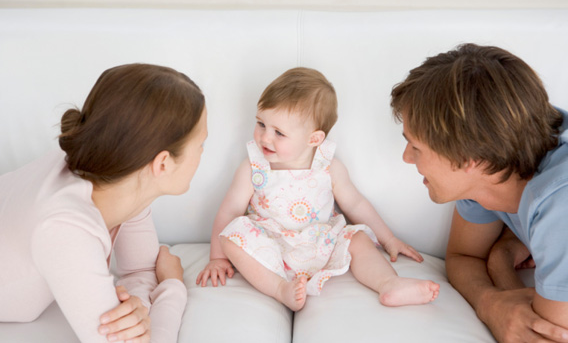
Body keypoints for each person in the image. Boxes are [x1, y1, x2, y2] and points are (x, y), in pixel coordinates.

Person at [196, 67, 439, 311]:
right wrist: (217, 258)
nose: (265, 137)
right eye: (261, 124)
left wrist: (389, 239)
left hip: (321, 243)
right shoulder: (253, 168)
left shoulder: (329, 167)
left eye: (279, 132)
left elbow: (356, 205)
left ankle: (389, 283)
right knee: (232, 234)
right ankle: (280, 288)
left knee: (358, 238)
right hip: (270, 248)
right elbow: (229, 212)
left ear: (314, 139)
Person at [0, 64, 207, 342]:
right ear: (163, 163)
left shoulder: (118, 176)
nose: (203, 153)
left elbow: (140, 271)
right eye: (201, 144)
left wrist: (138, 313)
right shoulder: (64, 229)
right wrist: (172, 286)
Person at [390, 43, 568, 342]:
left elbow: (547, 336)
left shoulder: (559, 205)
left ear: (470, 158)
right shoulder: (495, 166)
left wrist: (501, 267)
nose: (407, 158)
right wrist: (490, 301)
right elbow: (463, 255)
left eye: (416, 147)